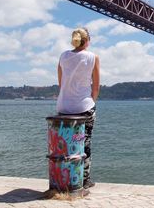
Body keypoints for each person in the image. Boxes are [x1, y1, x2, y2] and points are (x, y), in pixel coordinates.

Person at [56, 27, 100, 190]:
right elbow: (96, 86)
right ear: (87, 40)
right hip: (83, 108)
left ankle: (65, 178)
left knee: (66, 143)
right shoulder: (93, 57)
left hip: (63, 107)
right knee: (83, 143)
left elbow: (61, 83)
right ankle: (83, 180)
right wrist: (91, 102)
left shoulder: (63, 56)